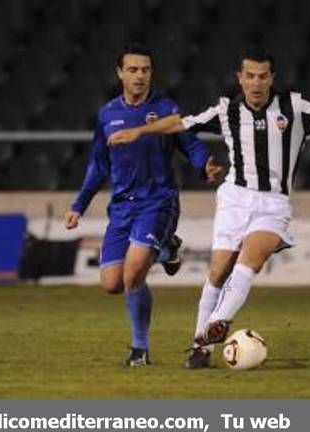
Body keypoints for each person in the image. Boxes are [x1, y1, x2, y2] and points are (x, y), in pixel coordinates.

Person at [108, 47, 310, 368]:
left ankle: (218, 323)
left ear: (271, 79)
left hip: (273, 204)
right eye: (249, 76)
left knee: (251, 259)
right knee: (218, 271)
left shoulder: (294, 108)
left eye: (262, 76)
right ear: (240, 79)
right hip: (235, 200)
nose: (256, 83)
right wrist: (140, 130)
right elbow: (180, 124)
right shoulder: (226, 111)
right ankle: (201, 349)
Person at [63, 43, 224, 367]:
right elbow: (98, 166)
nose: (140, 76)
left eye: (146, 70)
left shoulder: (165, 109)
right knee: (111, 284)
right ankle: (168, 250)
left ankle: (140, 350)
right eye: (133, 70)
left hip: (158, 202)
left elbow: (189, 143)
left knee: (133, 273)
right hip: (122, 207)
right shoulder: (107, 115)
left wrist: (204, 163)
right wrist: (79, 205)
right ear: (120, 73)